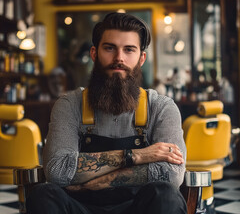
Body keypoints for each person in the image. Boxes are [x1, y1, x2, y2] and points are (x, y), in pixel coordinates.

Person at [26, 12, 187, 214]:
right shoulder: (69, 104)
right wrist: (138, 155)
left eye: (129, 50)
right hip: (81, 208)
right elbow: (57, 172)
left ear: (141, 58)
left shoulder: (161, 107)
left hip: (138, 208)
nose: (119, 58)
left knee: (167, 196)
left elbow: (171, 175)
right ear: (94, 53)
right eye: (110, 48)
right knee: (43, 195)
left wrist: (96, 182)